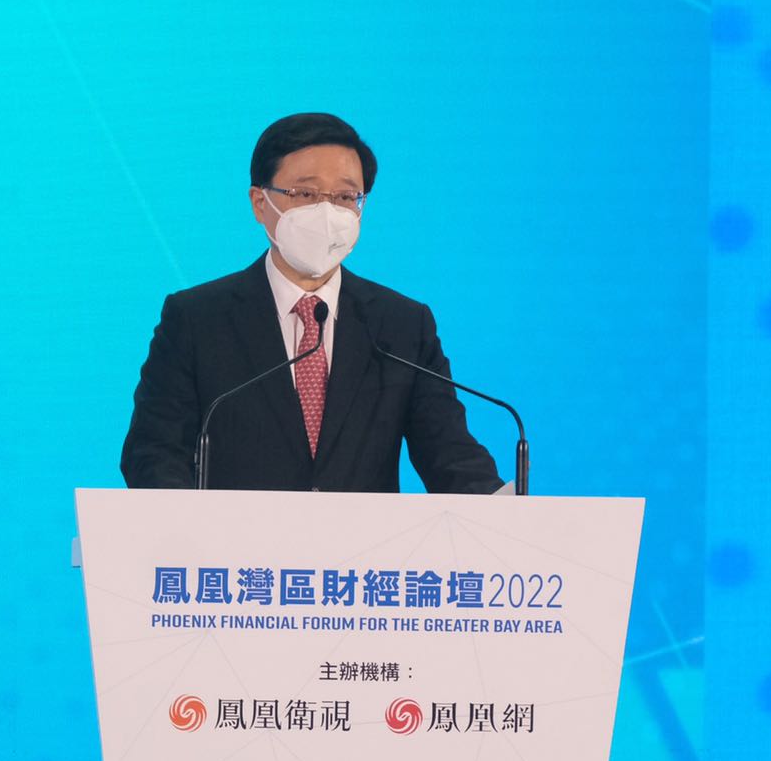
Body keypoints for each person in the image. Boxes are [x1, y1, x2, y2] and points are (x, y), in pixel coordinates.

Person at [120, 112, 504, 493]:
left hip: (363, 536)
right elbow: (154, 452)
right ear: (259, 202)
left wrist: (505, 509)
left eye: (344, 197)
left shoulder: (402, 326)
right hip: (235, 535)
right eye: (305, 194)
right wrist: (185, 522)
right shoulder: (196, 320)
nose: (327, 213)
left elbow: (450, 456)